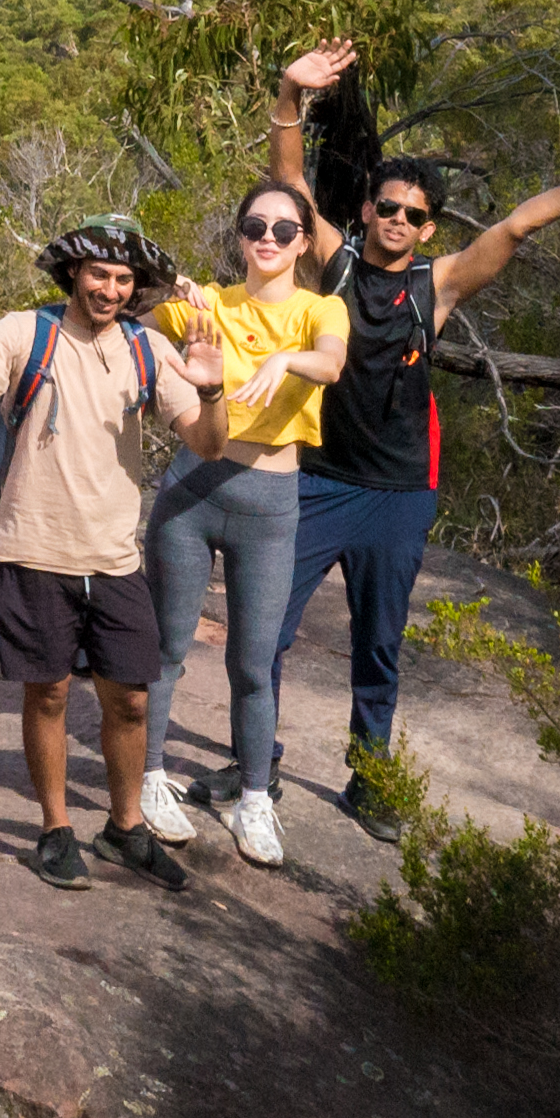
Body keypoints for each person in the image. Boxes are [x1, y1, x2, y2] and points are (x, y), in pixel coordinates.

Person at [265, 39, 560, 839]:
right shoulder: (334, 264)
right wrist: (288, 97)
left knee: (378, 644)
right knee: (267, 628)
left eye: (416, 214)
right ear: (367, 210)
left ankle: (369, 780)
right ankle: (254, 763)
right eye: (387, 207)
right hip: (318, 479)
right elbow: (286, 186)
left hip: (398, 494)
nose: (399, 222)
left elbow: (517, 225)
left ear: (429, 225)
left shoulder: (435, 284)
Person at [0, 220, 232, 892]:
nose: (109, 288)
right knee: (49, 692)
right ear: (71, 275)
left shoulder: (148, 347)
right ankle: (55, 829)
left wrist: (210, 389)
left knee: (131, 703)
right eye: (97, 274)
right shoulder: (22, 333)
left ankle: (124, 830)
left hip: (114, 557)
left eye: (123, 279)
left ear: (136, 288)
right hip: (31, 547)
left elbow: (207, 444)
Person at [138, 172, 351, 865]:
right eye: (254, 228)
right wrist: (168, 301)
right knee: (166, 645)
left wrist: (286, 358)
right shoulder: (210, 304)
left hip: (269, 500)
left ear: (301, 241)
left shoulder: (321, 310)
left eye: (282, 230)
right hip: (191, 488)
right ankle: (146, 779)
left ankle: (252, 797)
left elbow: (331, 365)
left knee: (253, 661)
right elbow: (129, 326)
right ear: (238, 236)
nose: (266, 240)